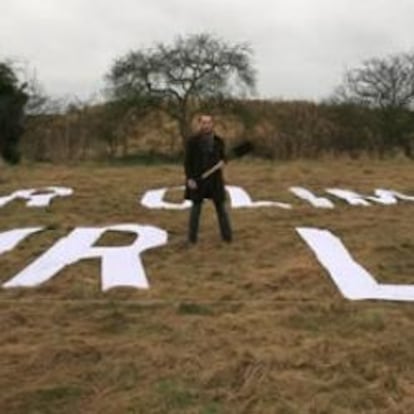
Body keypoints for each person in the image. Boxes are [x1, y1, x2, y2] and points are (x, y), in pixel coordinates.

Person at [184, 114, 232, 244]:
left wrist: (223, 162)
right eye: (203, 123)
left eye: (208, 122)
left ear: (212, 124)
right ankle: (191, 239)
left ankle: (227, 238)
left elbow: (223, 158)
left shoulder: (218, 141)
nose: (206, 125)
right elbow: (187, 162)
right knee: (196, 209)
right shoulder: (192, 142)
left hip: (215, 180)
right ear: (200, 124)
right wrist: (190, 179)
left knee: (221, 208)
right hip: (198, 179)